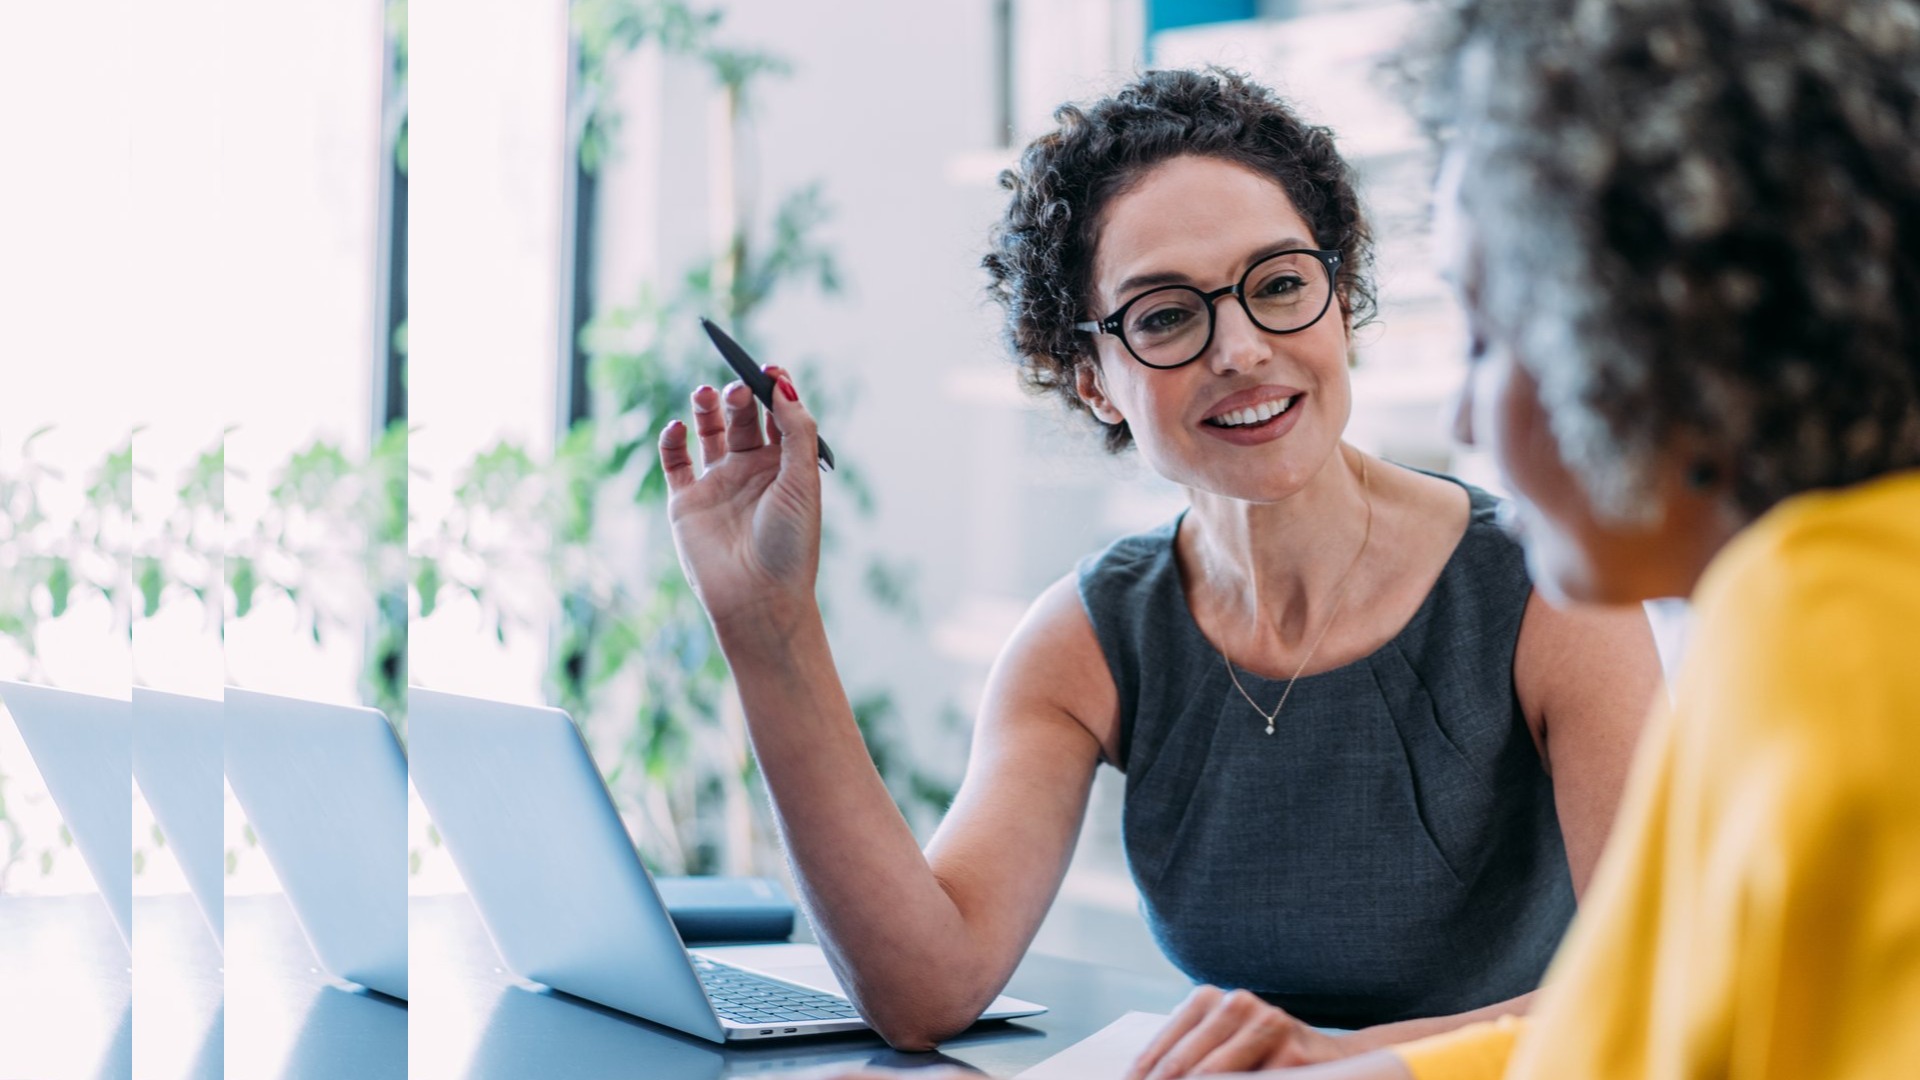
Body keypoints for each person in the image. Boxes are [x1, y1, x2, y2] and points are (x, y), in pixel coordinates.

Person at [655, 68, 1660, 1060]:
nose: (1241, 350)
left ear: (1341, 300)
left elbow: (1664, 987)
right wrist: (765, 621)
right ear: (1092, 379)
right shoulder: (1088, 639)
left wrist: (1341, 1063)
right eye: (1168, 315)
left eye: (1279, 286)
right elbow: (925, 987)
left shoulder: (1552, 591)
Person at [1109, 1, 1920, 1078]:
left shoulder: (1821, 625)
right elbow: (1648, 1033)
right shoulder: (1830, 590)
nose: (1462, 422)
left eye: (1489, 334)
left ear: (1641, 333)